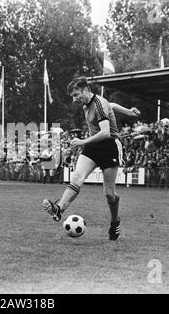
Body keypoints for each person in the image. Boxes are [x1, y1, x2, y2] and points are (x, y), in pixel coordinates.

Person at [42, 76, 140, 241]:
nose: (74, 99)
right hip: (93, 146)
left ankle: (115, 222)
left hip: (109, 146)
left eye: (75, 95)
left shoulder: (99, 104)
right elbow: (112, 105)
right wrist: (128, 111)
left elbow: (106, 132)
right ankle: (59, 209)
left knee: (109, 194)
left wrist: (81, 142)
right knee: (77, 177)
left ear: (86, 90)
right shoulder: (88, 103)